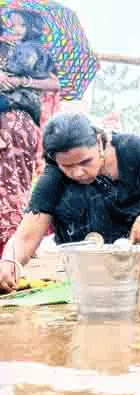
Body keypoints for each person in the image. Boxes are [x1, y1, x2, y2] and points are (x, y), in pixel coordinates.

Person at [0, 113, 140, 293]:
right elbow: (26, 236)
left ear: (100, 142)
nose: (78, 172)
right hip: (92, 249)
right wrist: (9, 262)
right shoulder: (53, 175)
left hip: (138, 239)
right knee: (72, 195)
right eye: (67, 166)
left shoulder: (129, 146)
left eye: (85, 162)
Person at [0, 9, 61, 254]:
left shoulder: (28, 50)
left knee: (13, 186)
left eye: (21, 26)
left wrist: (20, 81)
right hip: (13, 120)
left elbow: (54, 83)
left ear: (32, 28)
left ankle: (13, 250)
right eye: (13, 25)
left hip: (16, 123)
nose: (15, 30)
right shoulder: (8, 49)